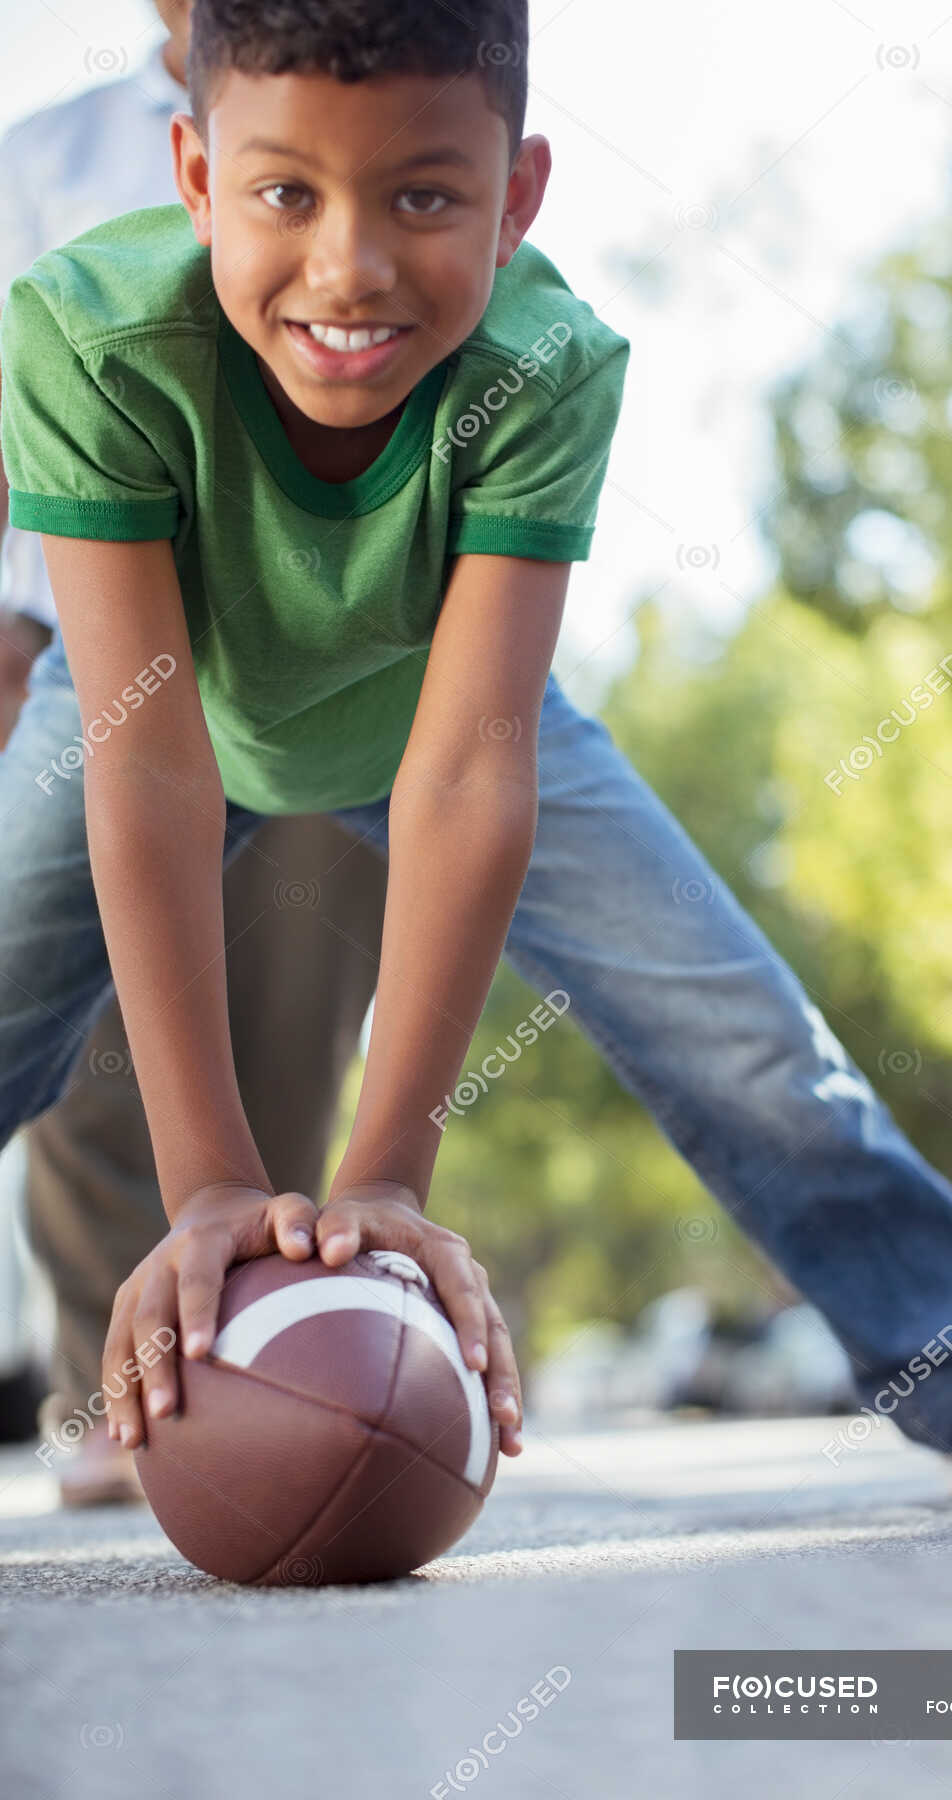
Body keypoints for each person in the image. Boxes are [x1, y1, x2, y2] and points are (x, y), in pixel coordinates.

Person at [1, 0, 952, 1514]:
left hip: (441, 701)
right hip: (148, 709)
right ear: (192, 177)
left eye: (424, 196)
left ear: (521, 200)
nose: (350, 266)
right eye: (285, 194)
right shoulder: (85, 335)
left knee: (747, 1040)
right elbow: (149, 761)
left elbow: (471, 773)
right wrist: (213, 1187)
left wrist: (382, 1180)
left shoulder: (547, 363)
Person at [0, 0, 388, 1503]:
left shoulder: (368, 103)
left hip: (322, 633)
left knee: (287, 1001)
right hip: (79, 633)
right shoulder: (44, 162)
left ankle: (260, 1336)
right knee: (87, 1026)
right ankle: (118, 1385)